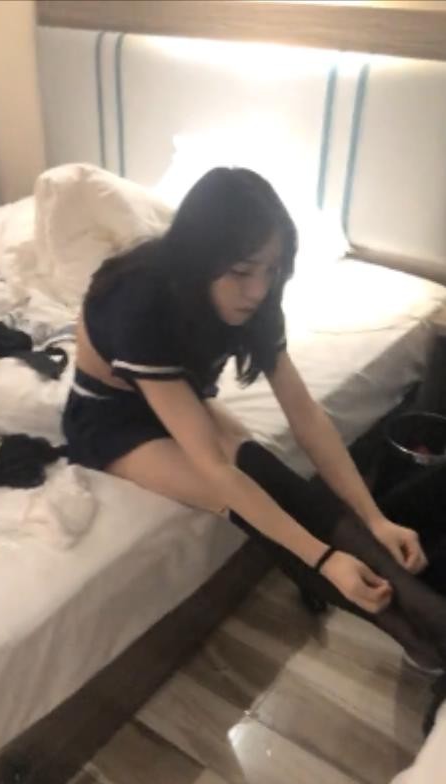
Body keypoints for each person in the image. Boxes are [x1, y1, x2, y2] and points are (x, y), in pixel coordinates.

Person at [63, 167, 446, 671]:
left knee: (265, 471)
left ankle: (425, 618)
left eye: (272, 269)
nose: (257, 290)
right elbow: (215, 471)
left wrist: (375, 518)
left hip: (179, 393)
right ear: (201, 259)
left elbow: (306, 416)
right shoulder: (141, 302)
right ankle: (422, 633)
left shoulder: (257, 297)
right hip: (111, 417)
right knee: (240, 498)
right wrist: (324, 559)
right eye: (242, 271)